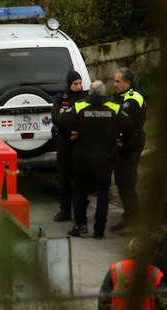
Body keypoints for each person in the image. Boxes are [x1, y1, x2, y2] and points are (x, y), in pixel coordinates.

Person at [56, 89, 130, 238]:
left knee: (79, 190)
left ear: (90, 94)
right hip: (105, 158)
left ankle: (80, 225)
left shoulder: (80, 107)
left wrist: (73, 131)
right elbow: (129, 124)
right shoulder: (113, 108)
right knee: (103, 192)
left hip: (83, 157)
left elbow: (60, 120)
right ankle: (99, 230)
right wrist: (118, 136)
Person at [111, 68, 146, 233]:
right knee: (121, 182)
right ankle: (128, 216)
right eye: (114, 81)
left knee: (128, 182)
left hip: (131, 143)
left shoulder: (133, 98)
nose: (114, 84)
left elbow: (128, 124)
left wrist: (122, 140)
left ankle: (136, 220)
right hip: (121, 143)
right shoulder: (119, 97)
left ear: (128, 83)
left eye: (118, 81)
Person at [51, 70, 85, 222]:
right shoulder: (61, 98)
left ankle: (81, 208)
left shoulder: (85, 97)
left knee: (81, 177)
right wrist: (69, 129)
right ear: (69, 84)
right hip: (65, 141)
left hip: (81, 142)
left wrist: (67, 115)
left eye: (79, 83)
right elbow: (57, 119)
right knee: (64, 177)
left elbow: (85, 118)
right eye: (75, 84)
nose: (78, 86)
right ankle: (65, 209)